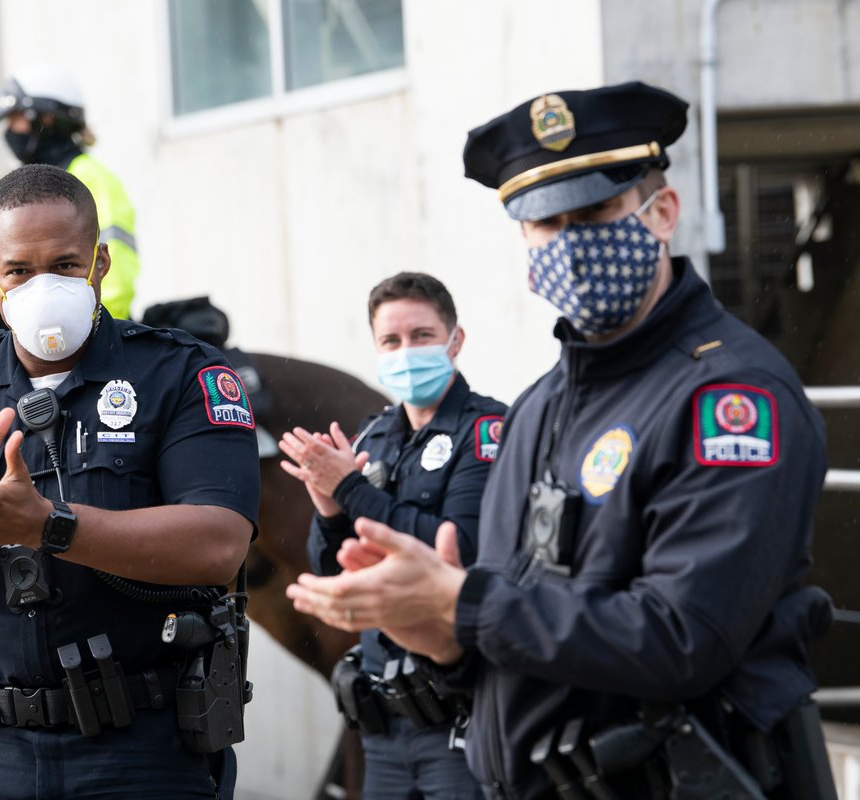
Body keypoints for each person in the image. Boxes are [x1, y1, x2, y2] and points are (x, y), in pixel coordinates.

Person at [286, 81, 835, 799]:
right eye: (547, 224)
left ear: (661, 213)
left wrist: (465, 604)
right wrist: (444, 639)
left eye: (597, 212)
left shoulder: (728, 399)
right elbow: (526, 615)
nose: (572, 243)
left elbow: (682, 638)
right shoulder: (544, 406)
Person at [0, 164, 259, 799]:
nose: (43, 285)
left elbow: (219, 547)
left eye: (64, 265)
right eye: (19, 270)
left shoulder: (181, 374)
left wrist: (48, 527)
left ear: (98, 264)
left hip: (142, 751)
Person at [279, 272, 504, 800]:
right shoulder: (373, 436)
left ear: (455, 340)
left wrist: (351, 489)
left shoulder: (488, 431)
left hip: (458, 718)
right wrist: (330, 509)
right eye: (391, 341)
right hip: (383, 722)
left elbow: (457, 548)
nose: (407, 352)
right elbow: (330, 569)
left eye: (422, 336)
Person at [0, 64, 139, 358]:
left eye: (15, 119)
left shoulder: (94, 179)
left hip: (90, 345)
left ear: (46, 117)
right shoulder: (17, 192)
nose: (9, 131)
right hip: (27, 344)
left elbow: (115, 272)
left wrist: (94, 338)